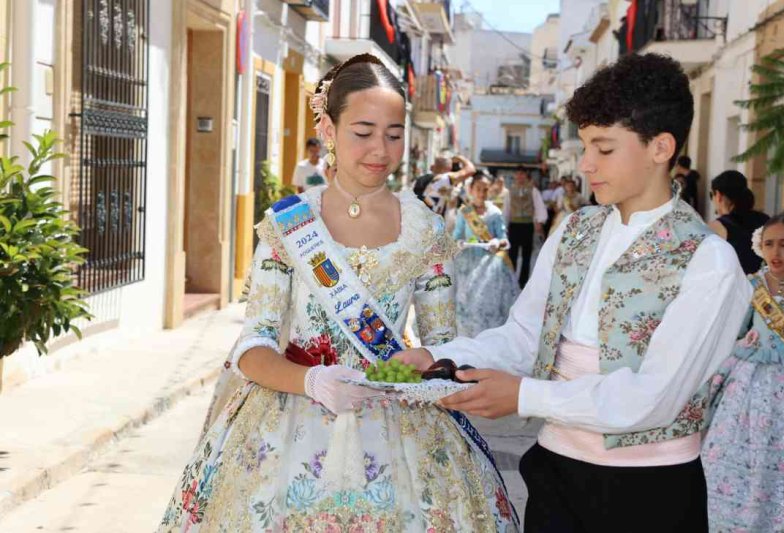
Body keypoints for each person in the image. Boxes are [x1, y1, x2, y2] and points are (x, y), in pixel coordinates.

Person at [158, 54, 518, 532]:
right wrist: (311, 382)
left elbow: (443, 348)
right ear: (328, 129)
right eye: (363, 132)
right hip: (286, 426)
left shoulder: (426, 230)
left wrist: (430, 374)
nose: (380, 150)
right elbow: (253, 346)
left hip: (401, 428)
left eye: (394, 134)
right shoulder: (288, 225)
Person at [396, 53, 752, 532]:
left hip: (649, 488)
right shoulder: (575, 230)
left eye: (603, 149)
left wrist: (525, 396)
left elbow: (653, 398)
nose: (585, 164)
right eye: (585, 146)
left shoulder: (709, 261)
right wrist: (441, 359)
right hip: (555, 474)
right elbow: (525, 337)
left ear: (661, 147)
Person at [703, 212, 784, 532]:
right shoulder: (752, 285)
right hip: (752, 388)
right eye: (769, 244)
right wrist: (744, 342)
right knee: (746, 456)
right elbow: (730, 331)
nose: (776, 252)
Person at [452, 172, 521, 338]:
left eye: (485, 189)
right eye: (478, 189)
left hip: (490, 266)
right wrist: (459, 243)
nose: (481, 193)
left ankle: (486, 337)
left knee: (487, 302)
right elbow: (456, 237)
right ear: (470, 189)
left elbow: (504, 240)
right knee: (467, 301)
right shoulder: (464, 212)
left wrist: (497, 242)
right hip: (467, 264)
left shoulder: (495, 213)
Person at [709, 170, 770, 274]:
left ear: (718, 195)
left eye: (711, 195)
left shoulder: (716, 227)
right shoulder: (766, 220)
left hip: (735, 282)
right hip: (763, 281)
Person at [506, 167, 547, 288]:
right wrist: (505, 225)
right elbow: (506, 209)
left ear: (526, 176)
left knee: (526, 255)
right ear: (515, 176)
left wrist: (539, 221)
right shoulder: (510, 191)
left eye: (522, 174)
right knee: (512, 254)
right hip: (514, 225)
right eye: (518, 174)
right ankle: (511, 280)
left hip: (527, 225)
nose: (520, 176)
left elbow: (539, 206)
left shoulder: (533, 190)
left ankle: (523, 282)